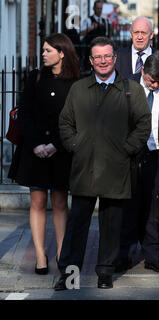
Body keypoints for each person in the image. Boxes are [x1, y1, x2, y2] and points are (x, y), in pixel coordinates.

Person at [54, 37, 151, 290]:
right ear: (91, 60)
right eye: (98, 57)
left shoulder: (132, 89)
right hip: (84, 168)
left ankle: (105, 273)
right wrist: (77, 146)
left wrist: (126, 150)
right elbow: (65, 123)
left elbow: (143, 125)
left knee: (111, 225)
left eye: (107, 56)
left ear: (115, 58)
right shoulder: (78, 89)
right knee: (77, 226)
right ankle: (69, 275)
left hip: (116, 169)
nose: (103, 61)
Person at [8, 33, 79, 275]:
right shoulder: (35, 77)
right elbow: (24, 113)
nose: (43, 54)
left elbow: (77, 120)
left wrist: (56, 145)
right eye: (43, 50)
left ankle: (61, 252)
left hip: (61, 151)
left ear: (62, 53)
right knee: (37, 201)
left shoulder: (75, 82)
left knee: (60, 202)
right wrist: (37, 144)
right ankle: (40, 254)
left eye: (48, 50)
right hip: (33, 150)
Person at [116, 51, 159, 273]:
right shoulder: (127, 84)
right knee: (128, 205)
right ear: (142, 71)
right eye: (150, 80)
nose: (154, 84)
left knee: (156, 207)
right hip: (131, 155)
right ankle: (123, 254)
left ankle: (153, 255)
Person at [80, 0, 110, 71]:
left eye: (100, 8)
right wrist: (90, 28)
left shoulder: (105, 21)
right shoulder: (88, 20)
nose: (99, 10)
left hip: (102, 49)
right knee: (89, 67)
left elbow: (107, 35)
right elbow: (81, 33)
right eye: (97, 8)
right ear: (93, 8)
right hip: (90, 48)